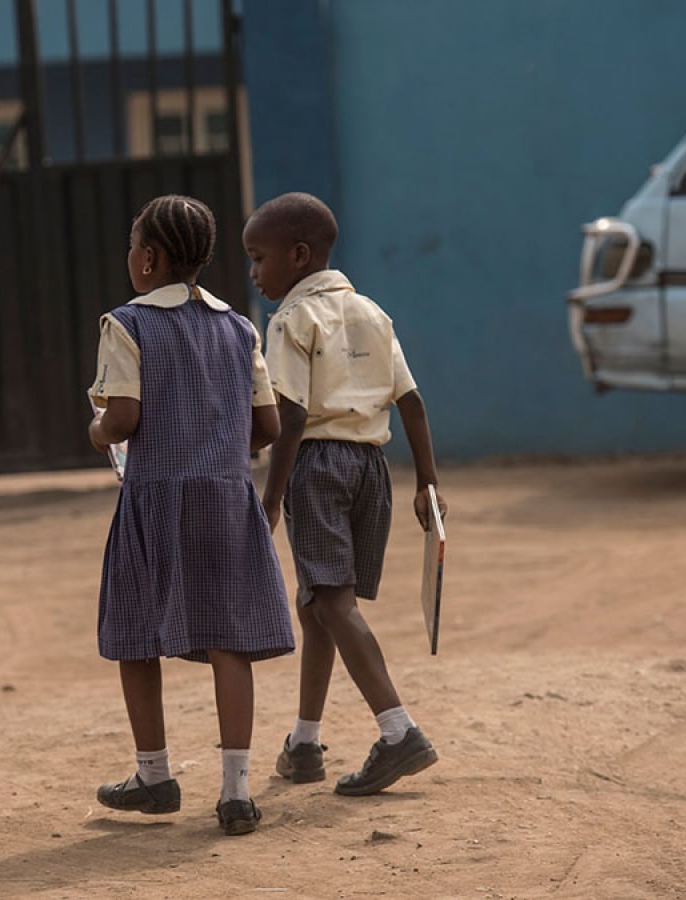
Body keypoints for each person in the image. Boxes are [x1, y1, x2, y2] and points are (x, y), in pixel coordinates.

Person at [89, 194, 296, 836]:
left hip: (155, 498)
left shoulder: (125, 324)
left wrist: (98, 431)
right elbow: (267, 424)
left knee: (133, 632)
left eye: (132, 244)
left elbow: (123, 418)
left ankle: (154, 775)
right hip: (227, 497)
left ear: (147, 258)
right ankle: (236, 790)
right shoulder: (239, 326)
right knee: (227, 635)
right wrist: (217, 448)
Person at [246, 192, 445, 796]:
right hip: (371, 469)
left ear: (298, 256)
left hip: (317, 467)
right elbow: (410, 400)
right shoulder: (371, 312)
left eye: (259, 258)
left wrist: (273, 495)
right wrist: (428, 481)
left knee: (332, 602)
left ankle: (397, 730)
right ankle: (304, 743)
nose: (255, 273)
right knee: (319, 605)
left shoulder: (291, 320)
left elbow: (292, 411)